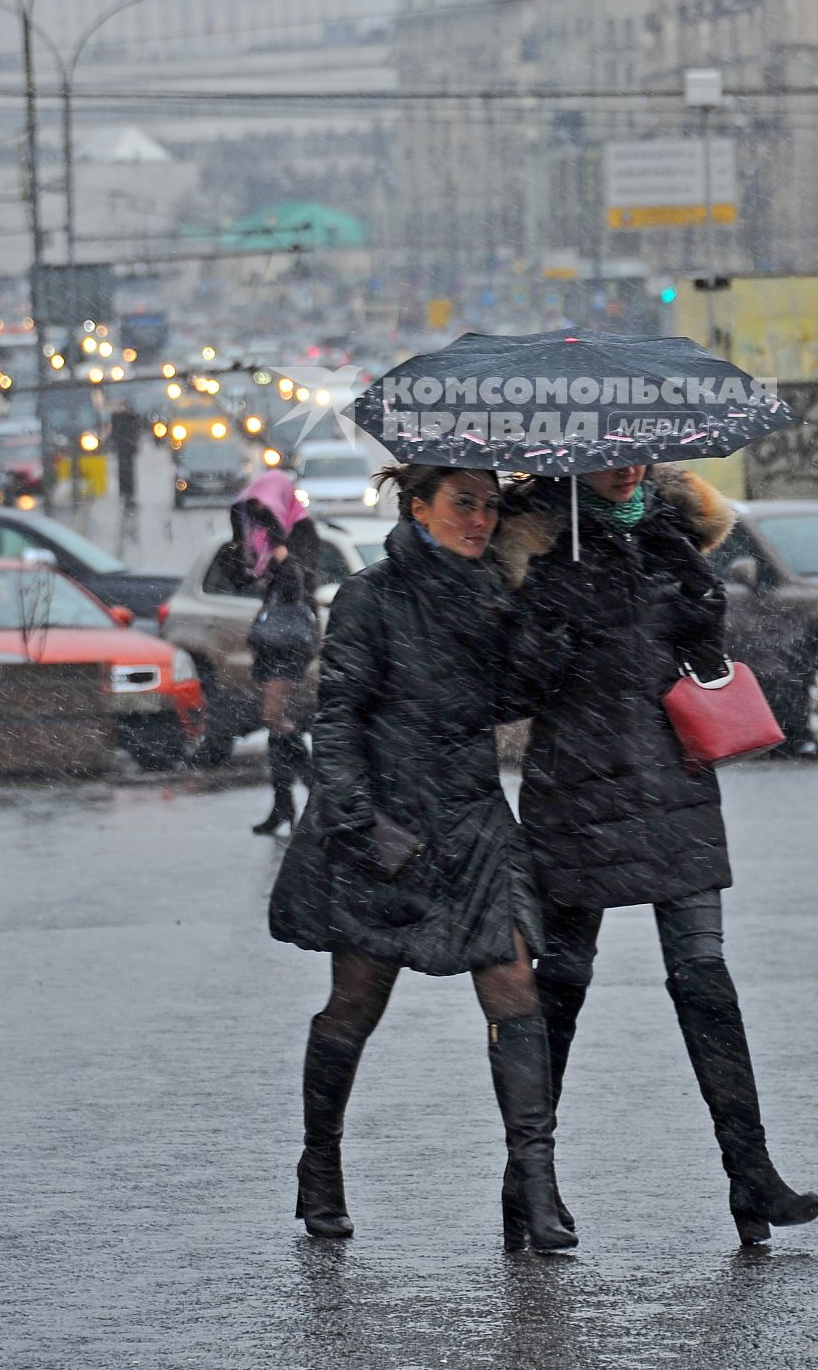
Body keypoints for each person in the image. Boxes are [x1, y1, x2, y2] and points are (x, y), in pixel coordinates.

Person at [494, 460, 818, 1247]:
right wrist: (548, 613)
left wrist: (700, 594)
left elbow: (703, 665)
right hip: (576, 785)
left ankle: (753, 1178)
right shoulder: (538, 547)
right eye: (606, 458)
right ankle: (528, 1186)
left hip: (673, 784)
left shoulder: (673, 534)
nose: (625, 469)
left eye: (637, 453)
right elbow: (513, 690)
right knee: (563, 981)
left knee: (704, 977)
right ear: (571, 463)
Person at [268, 464, 575, 1253]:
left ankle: (538, 1186)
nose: (479, 520)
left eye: (489, 507)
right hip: (387, 822)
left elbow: (511, 699)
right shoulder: (371, 595)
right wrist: (359, 823)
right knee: (356, 1002)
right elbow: (336, 718)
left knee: (513, 983)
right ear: (418, 508)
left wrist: (537, 616)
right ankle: (320, 1166)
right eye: (462, 504)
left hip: (471, 819)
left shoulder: (492, 592)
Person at [228, 470, 320, 836]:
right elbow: (240, 579)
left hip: (293, 635)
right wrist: (240, 538)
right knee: (275, 722)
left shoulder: (302, 531)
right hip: (270, 638)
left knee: (274, 715)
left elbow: (296, 586)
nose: (258, 515)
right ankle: (285, 803)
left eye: (261, 507)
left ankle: (318, 795)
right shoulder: (261, 536)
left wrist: (281, 546)